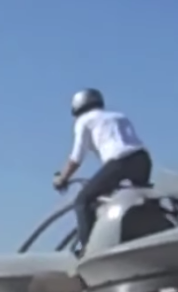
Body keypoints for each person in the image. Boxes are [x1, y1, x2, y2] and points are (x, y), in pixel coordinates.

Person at [53, 88, 153, 255]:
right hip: (143, 159)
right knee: (135, 199)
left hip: (119, 162)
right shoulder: (119, 116)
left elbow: (76, 157)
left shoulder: (83, 121)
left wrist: (62, 179)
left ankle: (88, 250)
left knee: (82, 201)